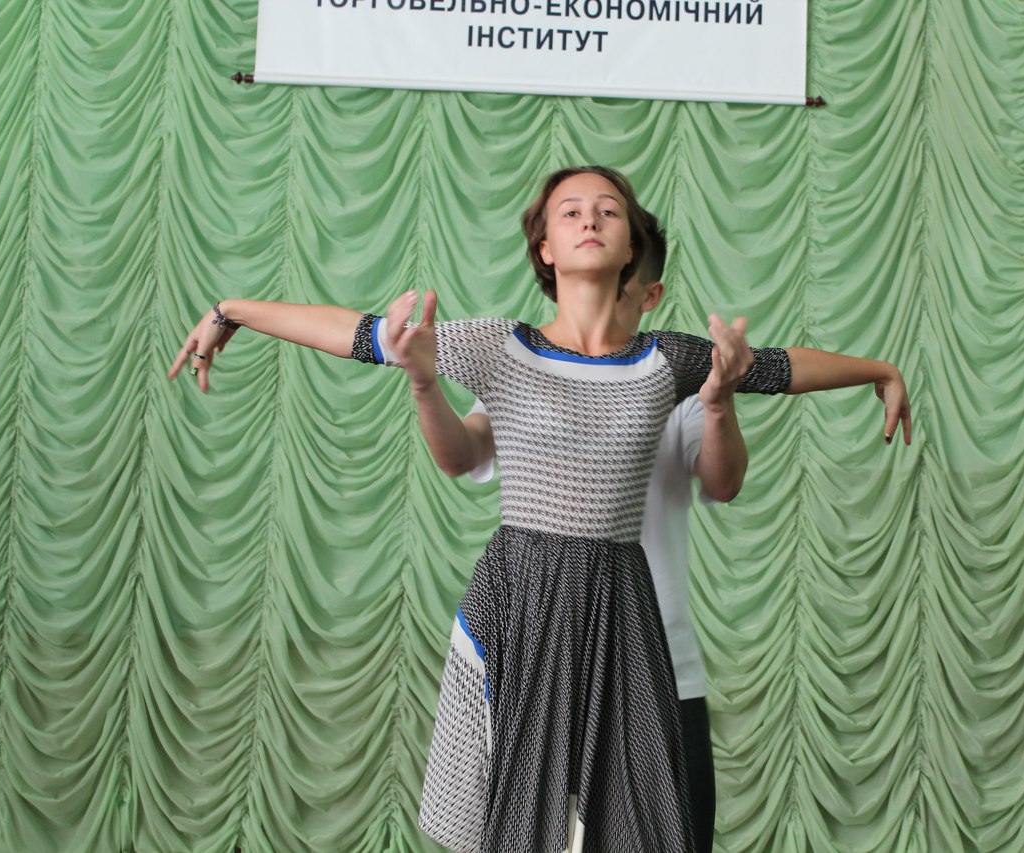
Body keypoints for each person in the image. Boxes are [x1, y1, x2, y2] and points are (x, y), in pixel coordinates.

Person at [168, 166, 798, 852]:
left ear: (637, 262)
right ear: (544, 248)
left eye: (608, 211)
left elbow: (776, 379)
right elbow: (364, 338)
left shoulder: (674, 365)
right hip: (527, 615)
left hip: (643, 640)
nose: (589, 220)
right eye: (570, 212)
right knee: (520, 824)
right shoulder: (504, 351)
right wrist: (234, 310)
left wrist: (867, 374)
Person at [447, 212, 912, 852]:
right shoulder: (527, 375)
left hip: (661, 667)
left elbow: (728, 475)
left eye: (618, 283)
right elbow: (463, 451)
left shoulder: (681, 377)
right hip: (545, 665)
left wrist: (868, 372)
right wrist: (423, 384)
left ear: (647, 291)